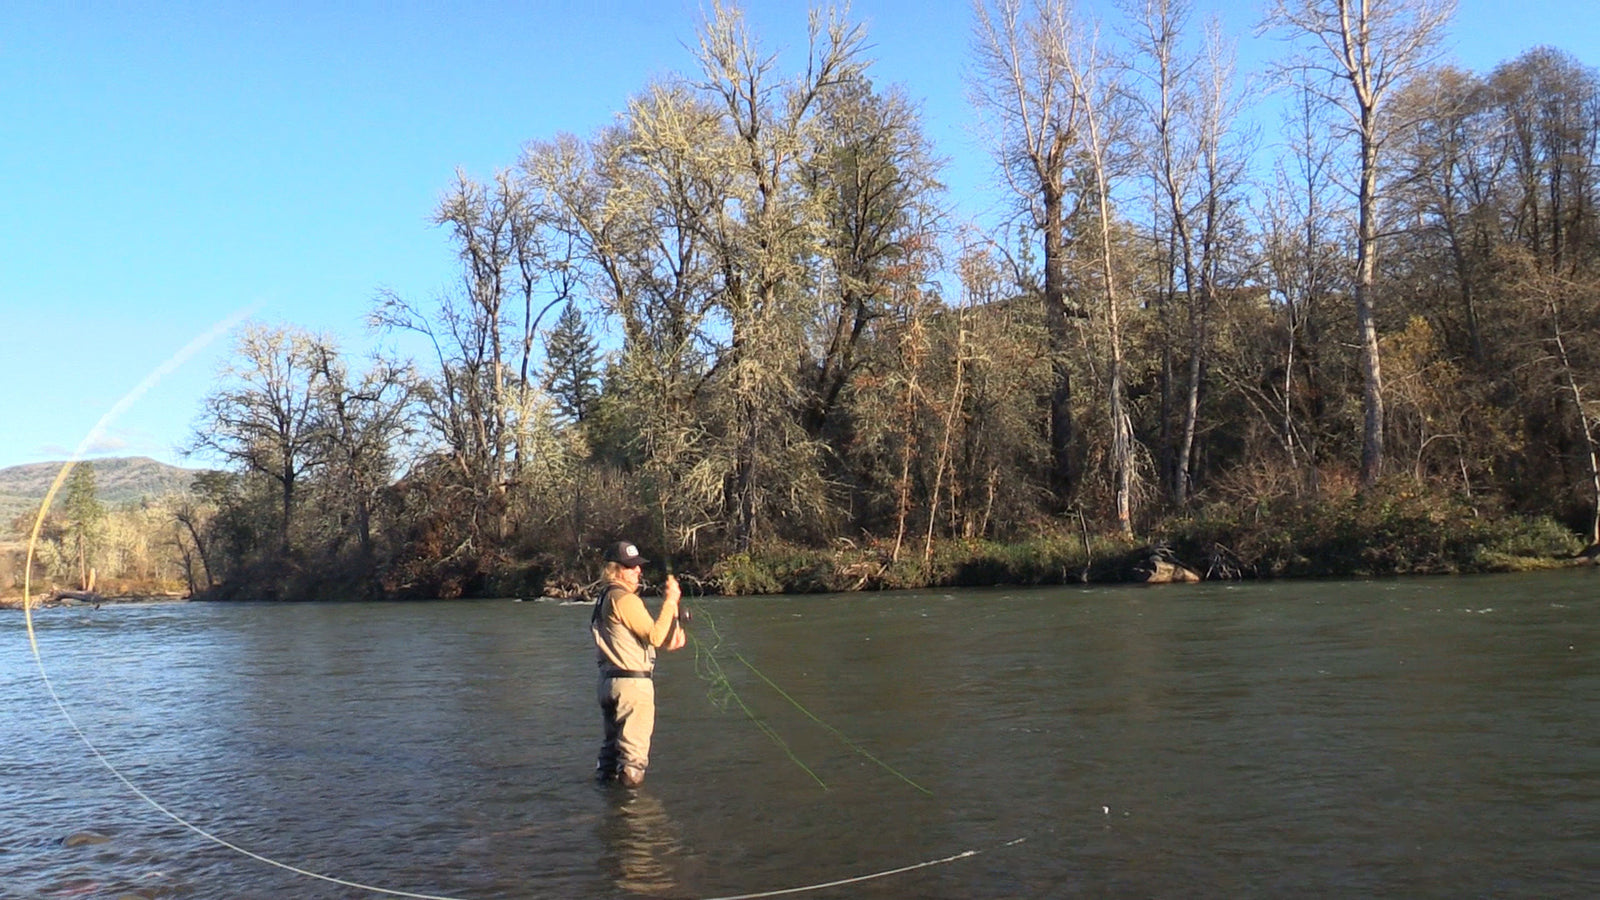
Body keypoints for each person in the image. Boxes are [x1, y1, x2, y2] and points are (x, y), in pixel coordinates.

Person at [591, 540, 686, 787]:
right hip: (632, 688)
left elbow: (640, 639)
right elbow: (654, 635)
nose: (638, 571)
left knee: (611, 755)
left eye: (638, 566)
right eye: (631, 567)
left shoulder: (604, 598)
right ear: (615, 570)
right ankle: (631, 817)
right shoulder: (625, 599)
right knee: (633, 761)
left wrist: (669, 638)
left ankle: (607, 807)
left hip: (608, 684)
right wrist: (670, 601)